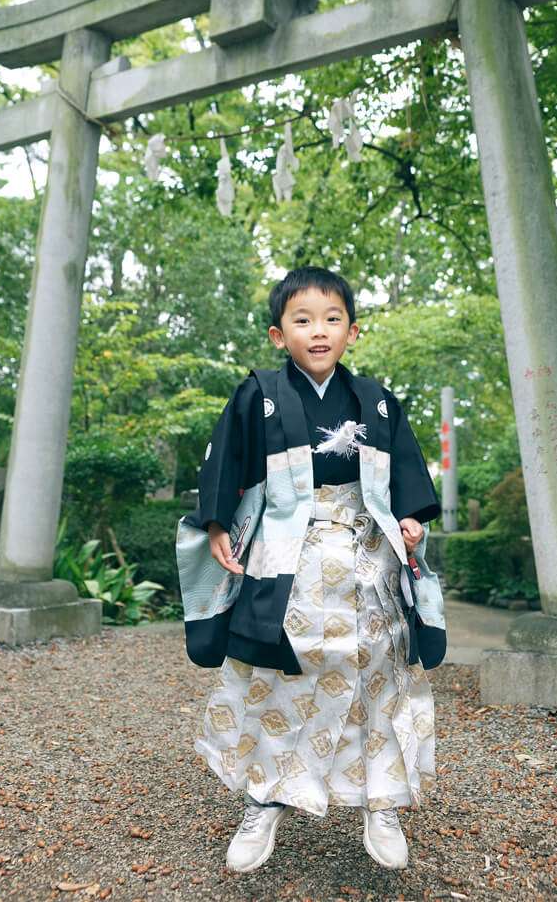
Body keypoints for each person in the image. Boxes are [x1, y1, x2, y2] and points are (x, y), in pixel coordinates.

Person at [176, 265, 446, 873]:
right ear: (279, 334)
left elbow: (407, 472)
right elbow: (227, 462)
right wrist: (219, 522)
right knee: (279, 665)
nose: (318, 331)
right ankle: (265, 796)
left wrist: (413, 521)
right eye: (302, 320)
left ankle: (384, 799)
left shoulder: (375, 399)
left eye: (332, 319)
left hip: (366, 544)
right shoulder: (260, 393)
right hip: (286, 550)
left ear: (353, 330)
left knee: (379, 665)